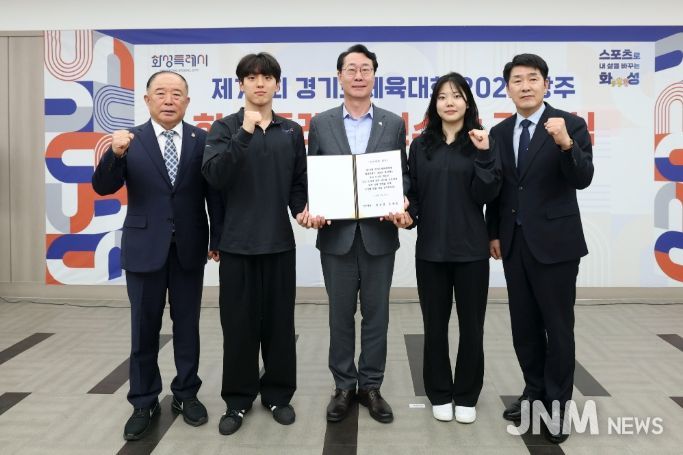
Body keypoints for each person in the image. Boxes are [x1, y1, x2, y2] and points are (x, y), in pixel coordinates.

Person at [92, 70, 222, 441]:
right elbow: (103, 186)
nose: (169, 100)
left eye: (176, 93)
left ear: (187, 101)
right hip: (144, 248)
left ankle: (186, 394)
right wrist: (114, 154)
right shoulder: (129, 140)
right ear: (147, 99)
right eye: (161, 93)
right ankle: (144, 401)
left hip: (189, 249)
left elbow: (214, 195)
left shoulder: (202, 139)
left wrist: (217, 237)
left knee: (188, 327)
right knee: (144, 328)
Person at [486, 53, 594, 444]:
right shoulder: (500, 133)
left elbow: (583, 177)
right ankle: (534, 392)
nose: (525, 86)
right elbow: (499, 189)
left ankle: (558, 405)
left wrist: (566, 145)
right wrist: (493, 233)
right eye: (517, 80)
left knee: (558, 328)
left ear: (546, 84)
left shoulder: (569, 125)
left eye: (533, 78)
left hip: (556, 245)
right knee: (524, 327)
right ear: (508, 88)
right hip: (515, 244)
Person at [202, 52, 308, 436]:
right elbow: (215, 176)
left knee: (279, 325)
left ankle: (278, 395)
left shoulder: (291, 131)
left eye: (267, 77)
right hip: (236, 246)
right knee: (238, 327)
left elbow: (298, 183)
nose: (259, 83)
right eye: (251, 77)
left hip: (279, 243)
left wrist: (302, 211)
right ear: (241, 84)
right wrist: (244, 133)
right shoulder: (223, 128)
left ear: (277, 84)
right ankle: (237, 399)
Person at [308, 44, 411, 424]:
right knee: (339, 316)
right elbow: (312, 174)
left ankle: (370, 386)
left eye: (365, 69)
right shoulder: (321, 123)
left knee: (376, 315)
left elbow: (402, 174)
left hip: (378, 235)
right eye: (350, 69)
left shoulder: (392, 123)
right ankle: (343, 386)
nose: (358, 76)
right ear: (339, 77)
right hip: (336, 236)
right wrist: (312, 206)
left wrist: (402, 200)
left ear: (374, 76)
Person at [404, 72, 500, 423]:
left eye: (457, 96)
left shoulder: (481, 141)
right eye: (442, 96)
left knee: (472, 327)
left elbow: (488, 193)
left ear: (467, 102)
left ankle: (467, 394)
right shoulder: (420, 146)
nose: (449, 102)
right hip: (431, 250)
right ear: (434, 104)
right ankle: (440, 392)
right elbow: (413, 195)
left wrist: (485, 154)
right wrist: (407, 216)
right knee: (434, 326)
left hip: (471, 250)